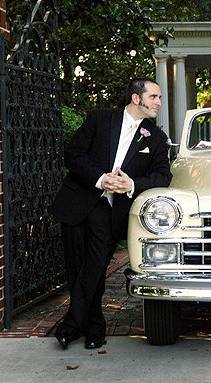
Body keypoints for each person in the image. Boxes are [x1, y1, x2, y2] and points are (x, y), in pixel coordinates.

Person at [50, 79, 172, 349]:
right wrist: (100, 178)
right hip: (78, 201)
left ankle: (71, 325)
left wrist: (131, 185)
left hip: (111, 212)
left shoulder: (157, 138)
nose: (158, 103)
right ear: (136, 98)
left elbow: (163, 177)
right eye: (154, 97)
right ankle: (94, 328)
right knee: (77, 269)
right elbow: (73, 154)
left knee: (95, 268)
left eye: (160, 98)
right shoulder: (100, 119)